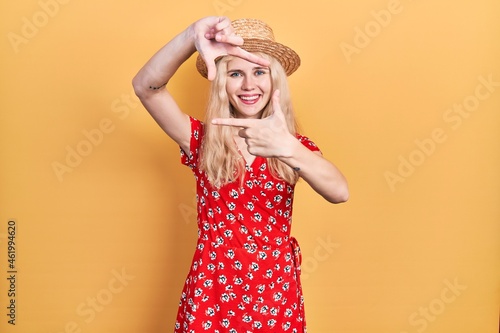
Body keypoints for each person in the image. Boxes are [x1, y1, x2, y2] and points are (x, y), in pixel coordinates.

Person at [132, 16, 348, 333]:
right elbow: (146, 87)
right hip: (212, 292)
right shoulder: (200, 140)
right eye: (236, 73)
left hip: (275, 295)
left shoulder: (294, 147)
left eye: (259, 72)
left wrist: (287, 147)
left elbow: (339, 192)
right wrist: (191, 37)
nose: (249, 85)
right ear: (222, 81)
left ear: (275, 80)